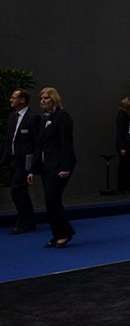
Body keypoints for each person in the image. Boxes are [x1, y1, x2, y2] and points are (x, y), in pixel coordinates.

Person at [27, 87, 76, 248]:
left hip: (59, 165)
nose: (43, 101)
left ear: (54, 99)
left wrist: (65, 167)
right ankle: (59, 234)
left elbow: (66, 143)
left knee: (52, 198)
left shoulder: (62, 117)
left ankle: (64, 233)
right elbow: (39, 145)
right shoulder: (44, 119)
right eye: (41, 98)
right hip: (46, 165)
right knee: (50, 201)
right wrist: (33, 169)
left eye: (46, 98)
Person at [1, 89, 40, 234]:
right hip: (13, 159)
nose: (10, 100)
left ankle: (24, 221)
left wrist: (33, 166)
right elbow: (9, 139)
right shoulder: (12, 117)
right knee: (20, 192)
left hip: (25, 162)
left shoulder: (33, 118)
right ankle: (29, 220)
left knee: (17, 191)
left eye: (14, 97)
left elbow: (37, 143)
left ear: (22, 100)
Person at [115, 97, 130, 193]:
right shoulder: (122, 116)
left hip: (125, 144)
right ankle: (124, 187)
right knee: (125, 166)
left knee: (126, 165)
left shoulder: (123, 114)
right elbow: (120, 132)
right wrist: (122, 147)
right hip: (124, 145)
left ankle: (125, 187)